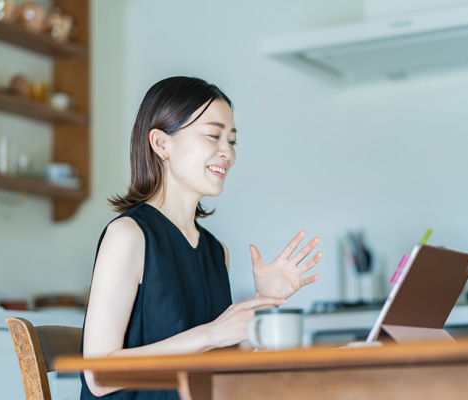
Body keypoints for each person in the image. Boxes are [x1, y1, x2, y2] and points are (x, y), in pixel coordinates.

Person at [80, 76, 322, 399]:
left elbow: (219, 368)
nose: (228, 153)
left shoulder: (215, 251)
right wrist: (209, 334)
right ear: (161, 143)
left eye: (232, 141)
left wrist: (261, 305)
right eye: (214, 136)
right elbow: (98, 375)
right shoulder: (128, 236)